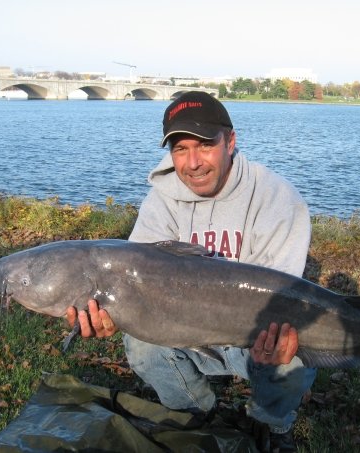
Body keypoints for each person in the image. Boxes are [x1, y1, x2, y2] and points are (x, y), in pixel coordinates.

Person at [67, 91, 316, 451]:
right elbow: (130, 281)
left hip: (254, 331)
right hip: (184, 326)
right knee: (140, 341)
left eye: (204, 145)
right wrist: (110, 314)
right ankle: (198, 414)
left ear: (230, 142)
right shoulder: (162, 199)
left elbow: (281, 295)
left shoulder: (278, 198)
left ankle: (273, 425)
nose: (193, 163)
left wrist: (275, 339)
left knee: (292, 355)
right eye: (180, 149)